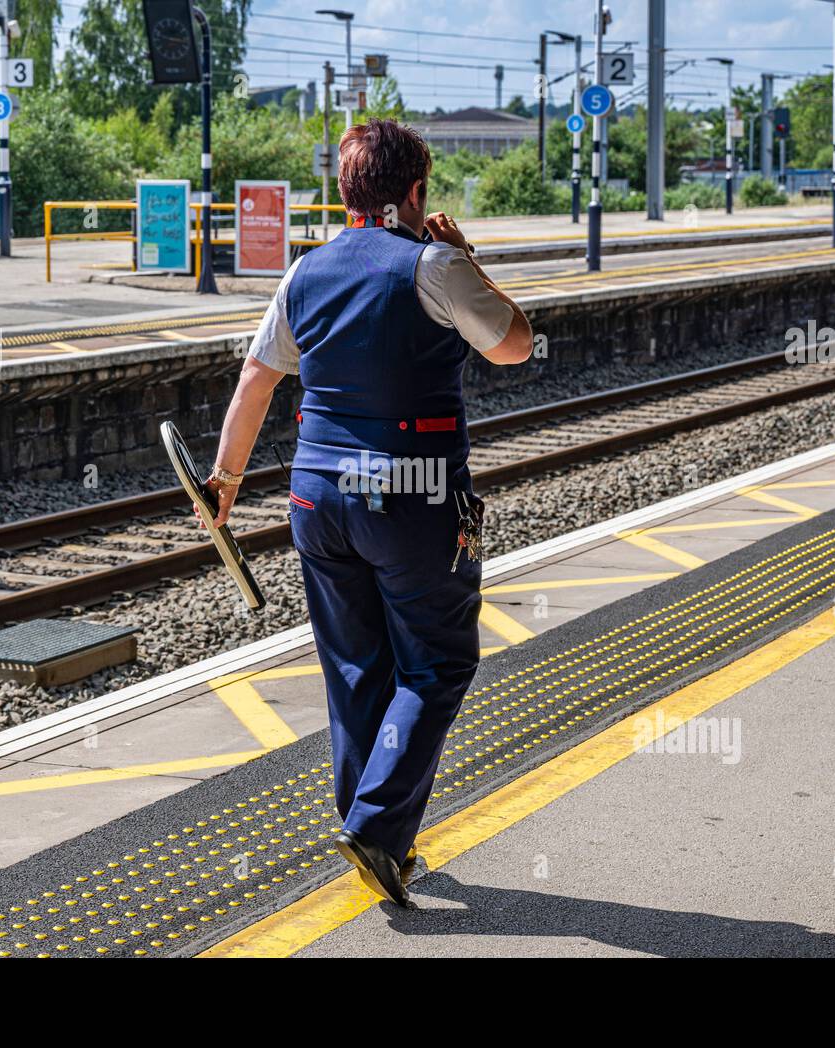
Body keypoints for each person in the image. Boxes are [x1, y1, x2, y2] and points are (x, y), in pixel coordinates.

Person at [207, 118, 532, 907]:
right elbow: (516, 344)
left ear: (347, 194)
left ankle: (371, 827)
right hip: (412, 489)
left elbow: (256, 381)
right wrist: (469, 263)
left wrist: (224, 480)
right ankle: (380, 829)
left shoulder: (304, 272)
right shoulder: (436, 265)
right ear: (415, 191)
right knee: (437, 663)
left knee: (356, 669)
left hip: (316, 496)